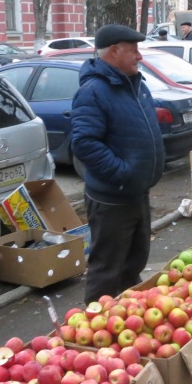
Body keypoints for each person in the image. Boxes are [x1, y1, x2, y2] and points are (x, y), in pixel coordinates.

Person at [71, 24, 165, 303]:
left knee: (133, 264)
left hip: (137, 193)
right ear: (114, 51)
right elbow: (84, 143)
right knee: (107, 270)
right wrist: (123, 173)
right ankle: (92, 325)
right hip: (112, 198)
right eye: (133, 50)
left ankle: (127, 314)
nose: (139, 57)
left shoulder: (135, 85)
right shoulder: (93, 91)